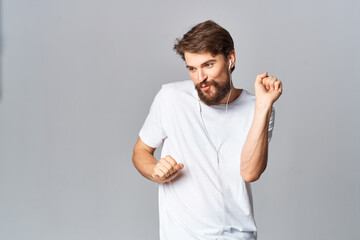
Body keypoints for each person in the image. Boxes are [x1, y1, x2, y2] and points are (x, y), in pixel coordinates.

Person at [132, 20, 282, 240]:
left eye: (208, 65)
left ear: (230, 59)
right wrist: (156, 171)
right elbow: (140, 152)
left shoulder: (257, 108)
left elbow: (250, 172)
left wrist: (263, 106)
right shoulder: (170, 98)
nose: (200, 78)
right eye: (192, 68)